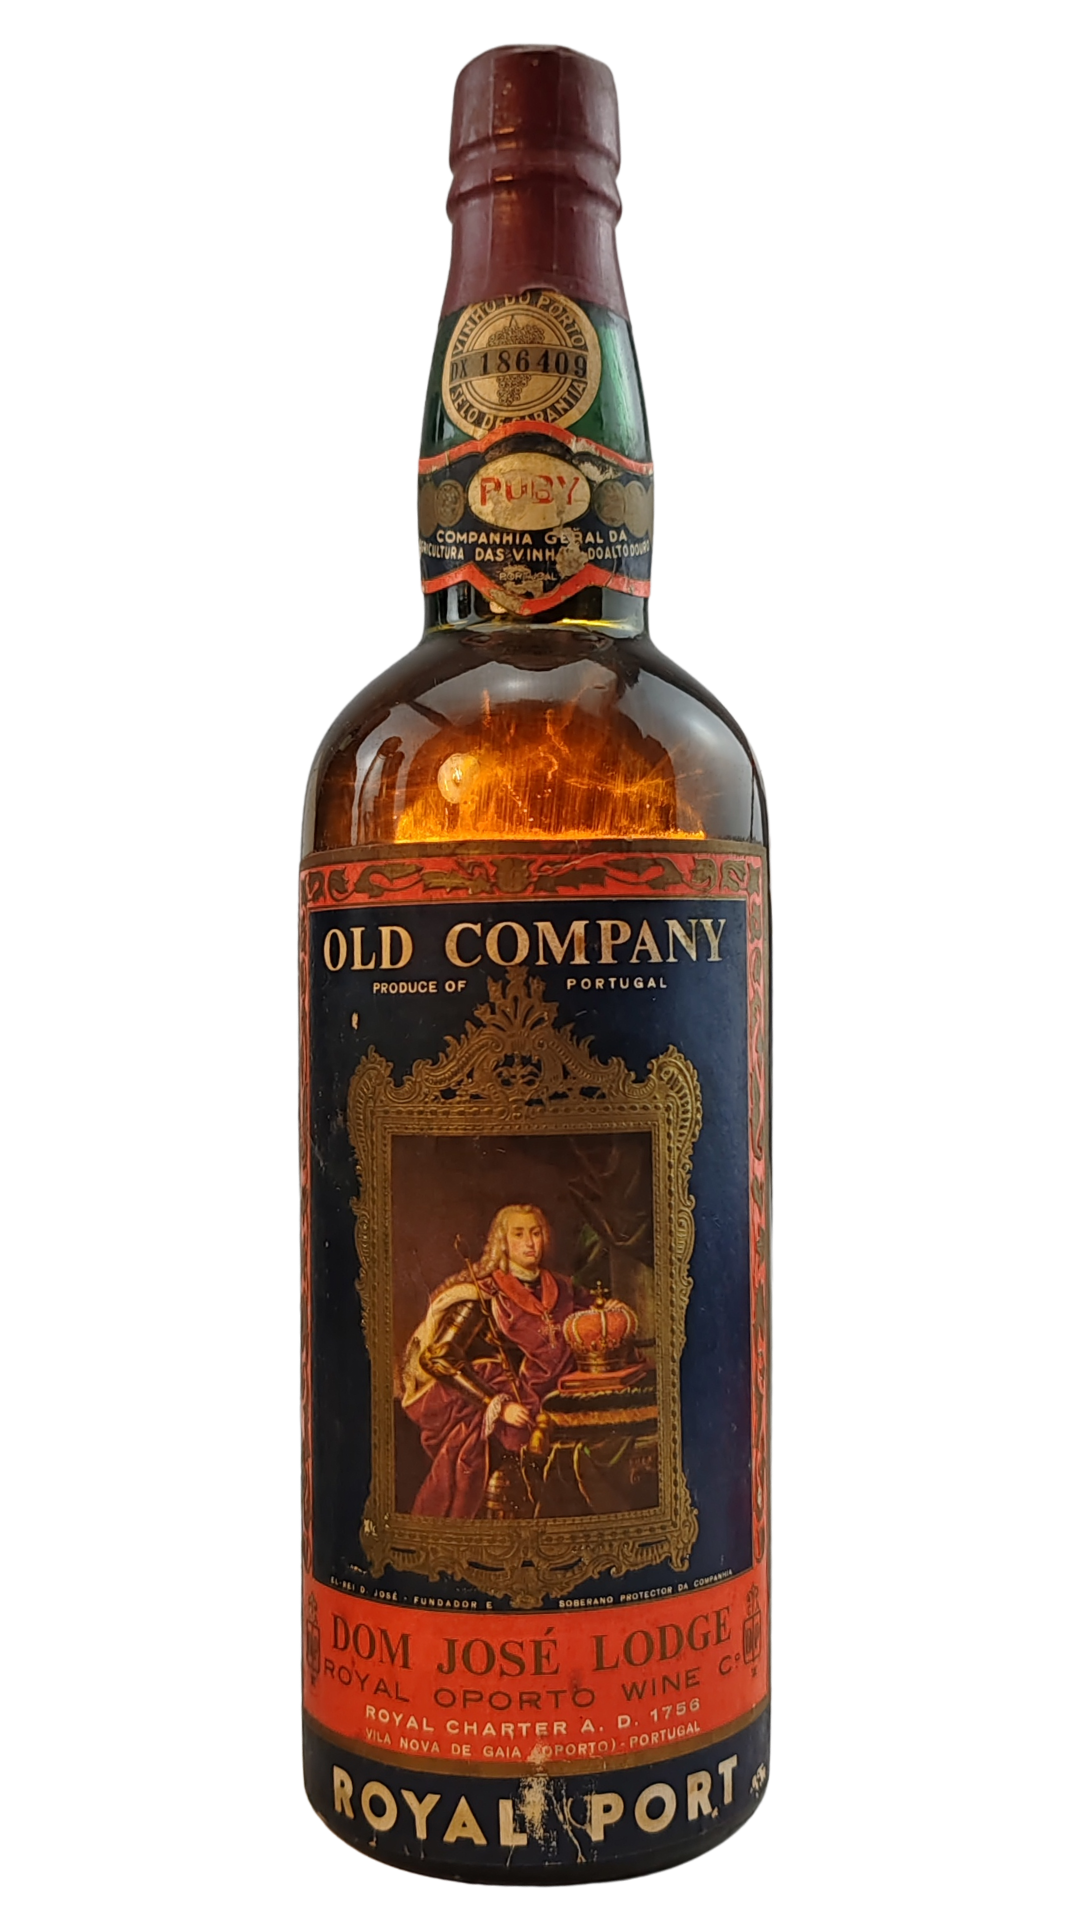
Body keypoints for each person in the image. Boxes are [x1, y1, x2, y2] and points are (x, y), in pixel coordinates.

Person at [399, 1203, 573, 1518]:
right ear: (502, 1242)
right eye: (518, 1234)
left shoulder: (561, 1289)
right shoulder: (483, 1295)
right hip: (504, 1418)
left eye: (535, 1233)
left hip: (555, 1404)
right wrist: (497, 1405)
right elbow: (439, 1358)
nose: (529, 1243)